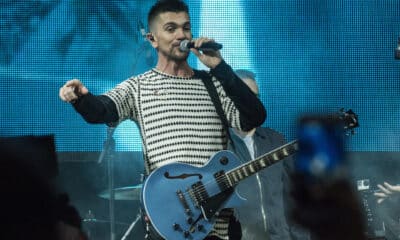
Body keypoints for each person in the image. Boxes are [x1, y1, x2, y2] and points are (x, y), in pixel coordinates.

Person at [58, 0, 266, 239]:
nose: (181, 34)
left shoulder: (214, 83)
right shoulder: (138, 87)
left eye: (186, 27)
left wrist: (220, 67)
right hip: (171, 222)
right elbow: (101, 111)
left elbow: (254, 117)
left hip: (215, 226)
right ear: (152, 39)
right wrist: (81, 98)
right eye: (171, 28)